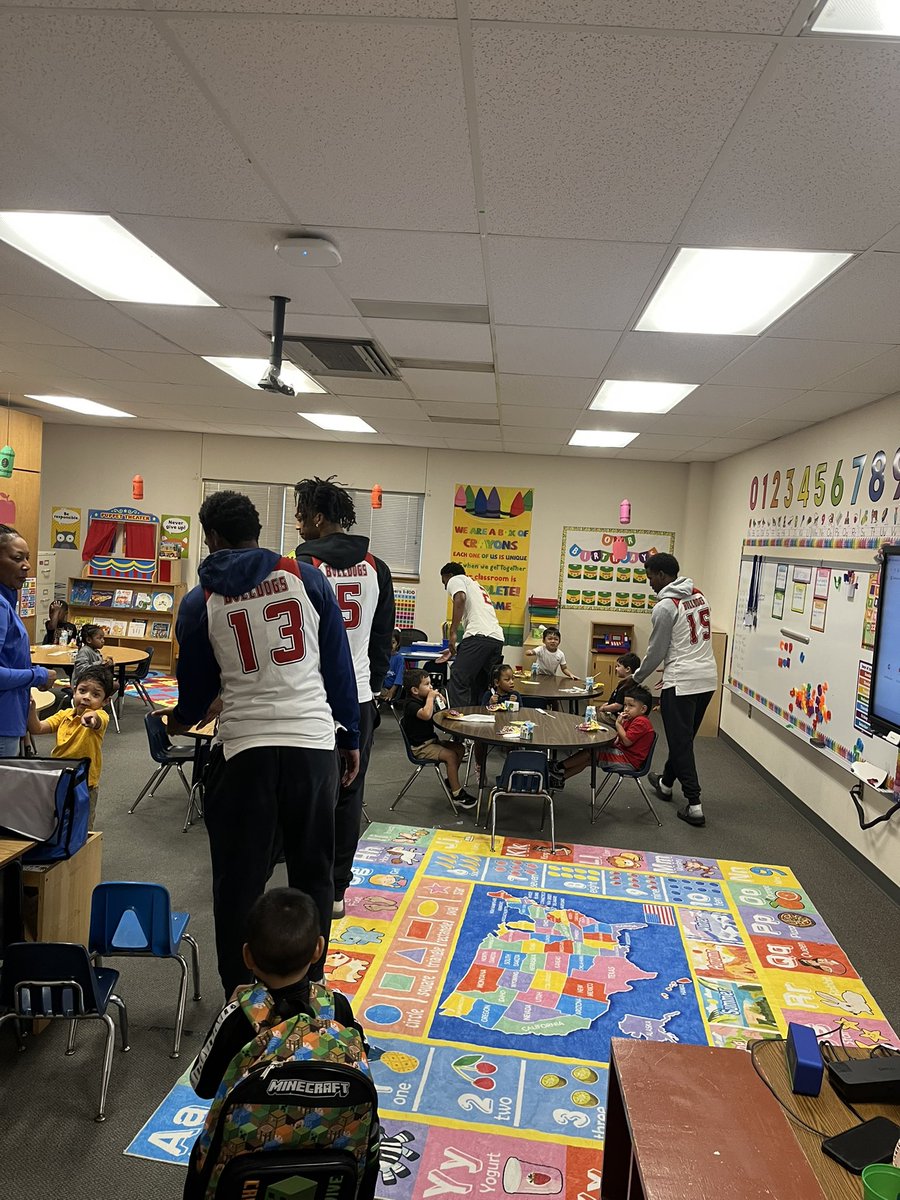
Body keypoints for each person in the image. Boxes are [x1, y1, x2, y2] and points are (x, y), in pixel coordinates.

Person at [167, 490, 361, 996]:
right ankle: (309, 985)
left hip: (246, 750)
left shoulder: (199, 600)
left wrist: (181, 719)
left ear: (211, 537)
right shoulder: (307, 578)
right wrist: (351, 736)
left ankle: (239, 992)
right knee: (313, 873)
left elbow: (197, 691)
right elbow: (336, 666)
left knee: (238, 882)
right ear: (258, 530)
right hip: (312, 743)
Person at [185, 888, 378, 1200]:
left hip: (245, 1170)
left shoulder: (239, 1015)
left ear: (247, 956)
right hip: (329, 1168)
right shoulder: (338, 1007)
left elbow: (204, 1086)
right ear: (318, 949)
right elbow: (363, 1059)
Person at [294, 476, 395, 920]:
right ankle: (337, 890)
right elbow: (383, 637)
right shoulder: (376, 565)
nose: (298, 524)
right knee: (350, 794)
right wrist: (371, 684)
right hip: (358, 695)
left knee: (309, 793)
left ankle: (305, 888)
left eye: (301, 515)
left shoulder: (301, 564)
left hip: (310, 695)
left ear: (318, 518)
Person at [632, 552, 718, 828]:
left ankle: (694, 805)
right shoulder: (698, 595)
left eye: (650, 578)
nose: (650, 584)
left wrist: (637, 677)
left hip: (681, 681)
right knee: (684, 739)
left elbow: (656, 651)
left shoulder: (665, 607)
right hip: (707, 679)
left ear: (661, 575)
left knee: (681, 742)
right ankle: (667, 783)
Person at [27, 663, 113, 827]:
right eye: (82, 691)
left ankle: (83, 851)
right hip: (59, 777)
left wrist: (91, 719)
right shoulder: (65, 715)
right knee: (56, 819)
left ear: (105, 701)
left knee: (82, 825)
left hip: (84, 783)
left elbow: (97, 720)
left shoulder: (99, 714)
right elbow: (37, 728)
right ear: (74, 691)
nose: (87, 697)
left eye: (95, 694)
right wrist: (31, 709)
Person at [0, 524, 56, 757]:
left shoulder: (8, 601)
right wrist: (38, 675)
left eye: (28, 558)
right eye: (17, 558)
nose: (27, 565)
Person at [402, 668, 476, 809]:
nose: (431, 687)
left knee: (459, 748)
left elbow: (436, 713)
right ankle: (457, 794)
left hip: (431, 741)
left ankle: (450, 781)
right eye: (427, 684)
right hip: (420, 747)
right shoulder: (410, 704)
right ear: (415, 690)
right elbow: (426, 715)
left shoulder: (424, 700)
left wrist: (438, 701)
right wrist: (430, 698)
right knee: (451, 756)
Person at [551, 686, 655, 784]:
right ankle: (560, 778)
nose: (626, 709)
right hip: (623, 753)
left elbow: (627, 741)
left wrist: (618, 724)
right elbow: (621, 738)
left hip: (628, 760)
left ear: (643, 709)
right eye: (625, 705)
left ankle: (557, 767)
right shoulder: (632, 719)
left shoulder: (641, 722)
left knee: (591, 752)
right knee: (589, 759)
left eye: (631, 706)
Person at [440, 562, 504, 707]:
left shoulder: (456, 579)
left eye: (444, 582)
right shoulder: (477, 586)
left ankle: (456, 722)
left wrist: (453, 633)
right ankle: (478, 723)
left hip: (478, 638)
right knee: (479, 685)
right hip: (496, 640)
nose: (446, 587)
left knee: (458, 677)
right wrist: (460, 649)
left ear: (448, 576)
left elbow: (460, 598)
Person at [599, 651, 641, 715]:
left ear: (627, 669)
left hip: (615, 716)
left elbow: (617, 706)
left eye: (618, 666)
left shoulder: (626, 686)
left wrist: (604, 708)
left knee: (590, 716)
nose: (616, 668)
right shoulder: (625, 683)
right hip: (611, 712)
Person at [379, 630, 405, 702]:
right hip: (380, 686)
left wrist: (391, 691)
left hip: (391, 689)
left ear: (398, 643)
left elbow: (399, 678)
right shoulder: (382, 656)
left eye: (393, 643)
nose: (390, 645)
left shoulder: (399, 659)